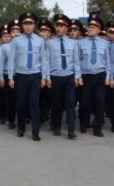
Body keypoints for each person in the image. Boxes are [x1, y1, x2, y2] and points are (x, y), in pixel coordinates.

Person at [7, 12, 48, 140]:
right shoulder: (16, 41)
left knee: (34, 104)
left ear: (34, 25)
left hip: (35, 76)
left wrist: (44, 77)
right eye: (26, 23)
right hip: (21, 76)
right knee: (21, 103)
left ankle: (35, 132)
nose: (28, 26)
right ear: (22, 25)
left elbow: (43, 60)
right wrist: (10, 77)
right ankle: (21, 128)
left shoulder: (40, 41)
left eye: (31, 23)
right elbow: (11, 59)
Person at [42, 13, 80, 139]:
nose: (59, 28)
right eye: (57, 25)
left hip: (69, 76)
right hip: (55, 76)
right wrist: (47, 77)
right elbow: (46, 61)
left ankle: (70, 130)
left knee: (70, 104)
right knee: (56, 104)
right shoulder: (49, 43)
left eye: (62, 26)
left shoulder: (73, 43)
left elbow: (76, 61)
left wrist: (77, 76)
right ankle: (57, 127)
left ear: (67, 28)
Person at [77, 14, 112, 137]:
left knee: (100, 102)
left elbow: (108, 62)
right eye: (89, 26)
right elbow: (77, 61)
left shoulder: (105, 43)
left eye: (93, 27)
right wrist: (78, 76)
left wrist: (108, 77)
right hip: (86, 76)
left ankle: (97, 127)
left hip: (100, 75)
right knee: (84, 102)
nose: (90, 29)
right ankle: (84, 123)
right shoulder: (80, 43)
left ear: (98, 30)